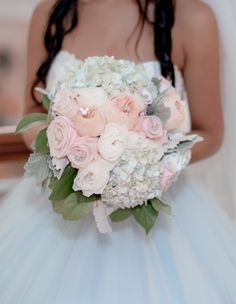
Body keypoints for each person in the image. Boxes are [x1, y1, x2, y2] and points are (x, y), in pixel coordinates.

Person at [0, 0, 236, 303]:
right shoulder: (50, 13)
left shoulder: (193, 18)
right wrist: (71, 152)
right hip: (52, 215)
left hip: (165, 221)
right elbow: (31, 113)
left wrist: (140, 162)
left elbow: (211, 133)